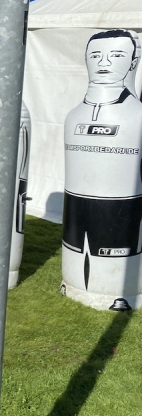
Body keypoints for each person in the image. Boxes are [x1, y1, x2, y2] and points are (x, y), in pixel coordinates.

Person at [62, 29, 142, 298]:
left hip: (124, 209)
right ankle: (72, 285)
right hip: (76, 205)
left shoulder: (137, 115)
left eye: (116, 55)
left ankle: (120, 293)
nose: (104, 63)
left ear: (133, 61)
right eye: (95, 55)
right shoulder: (74, 116)